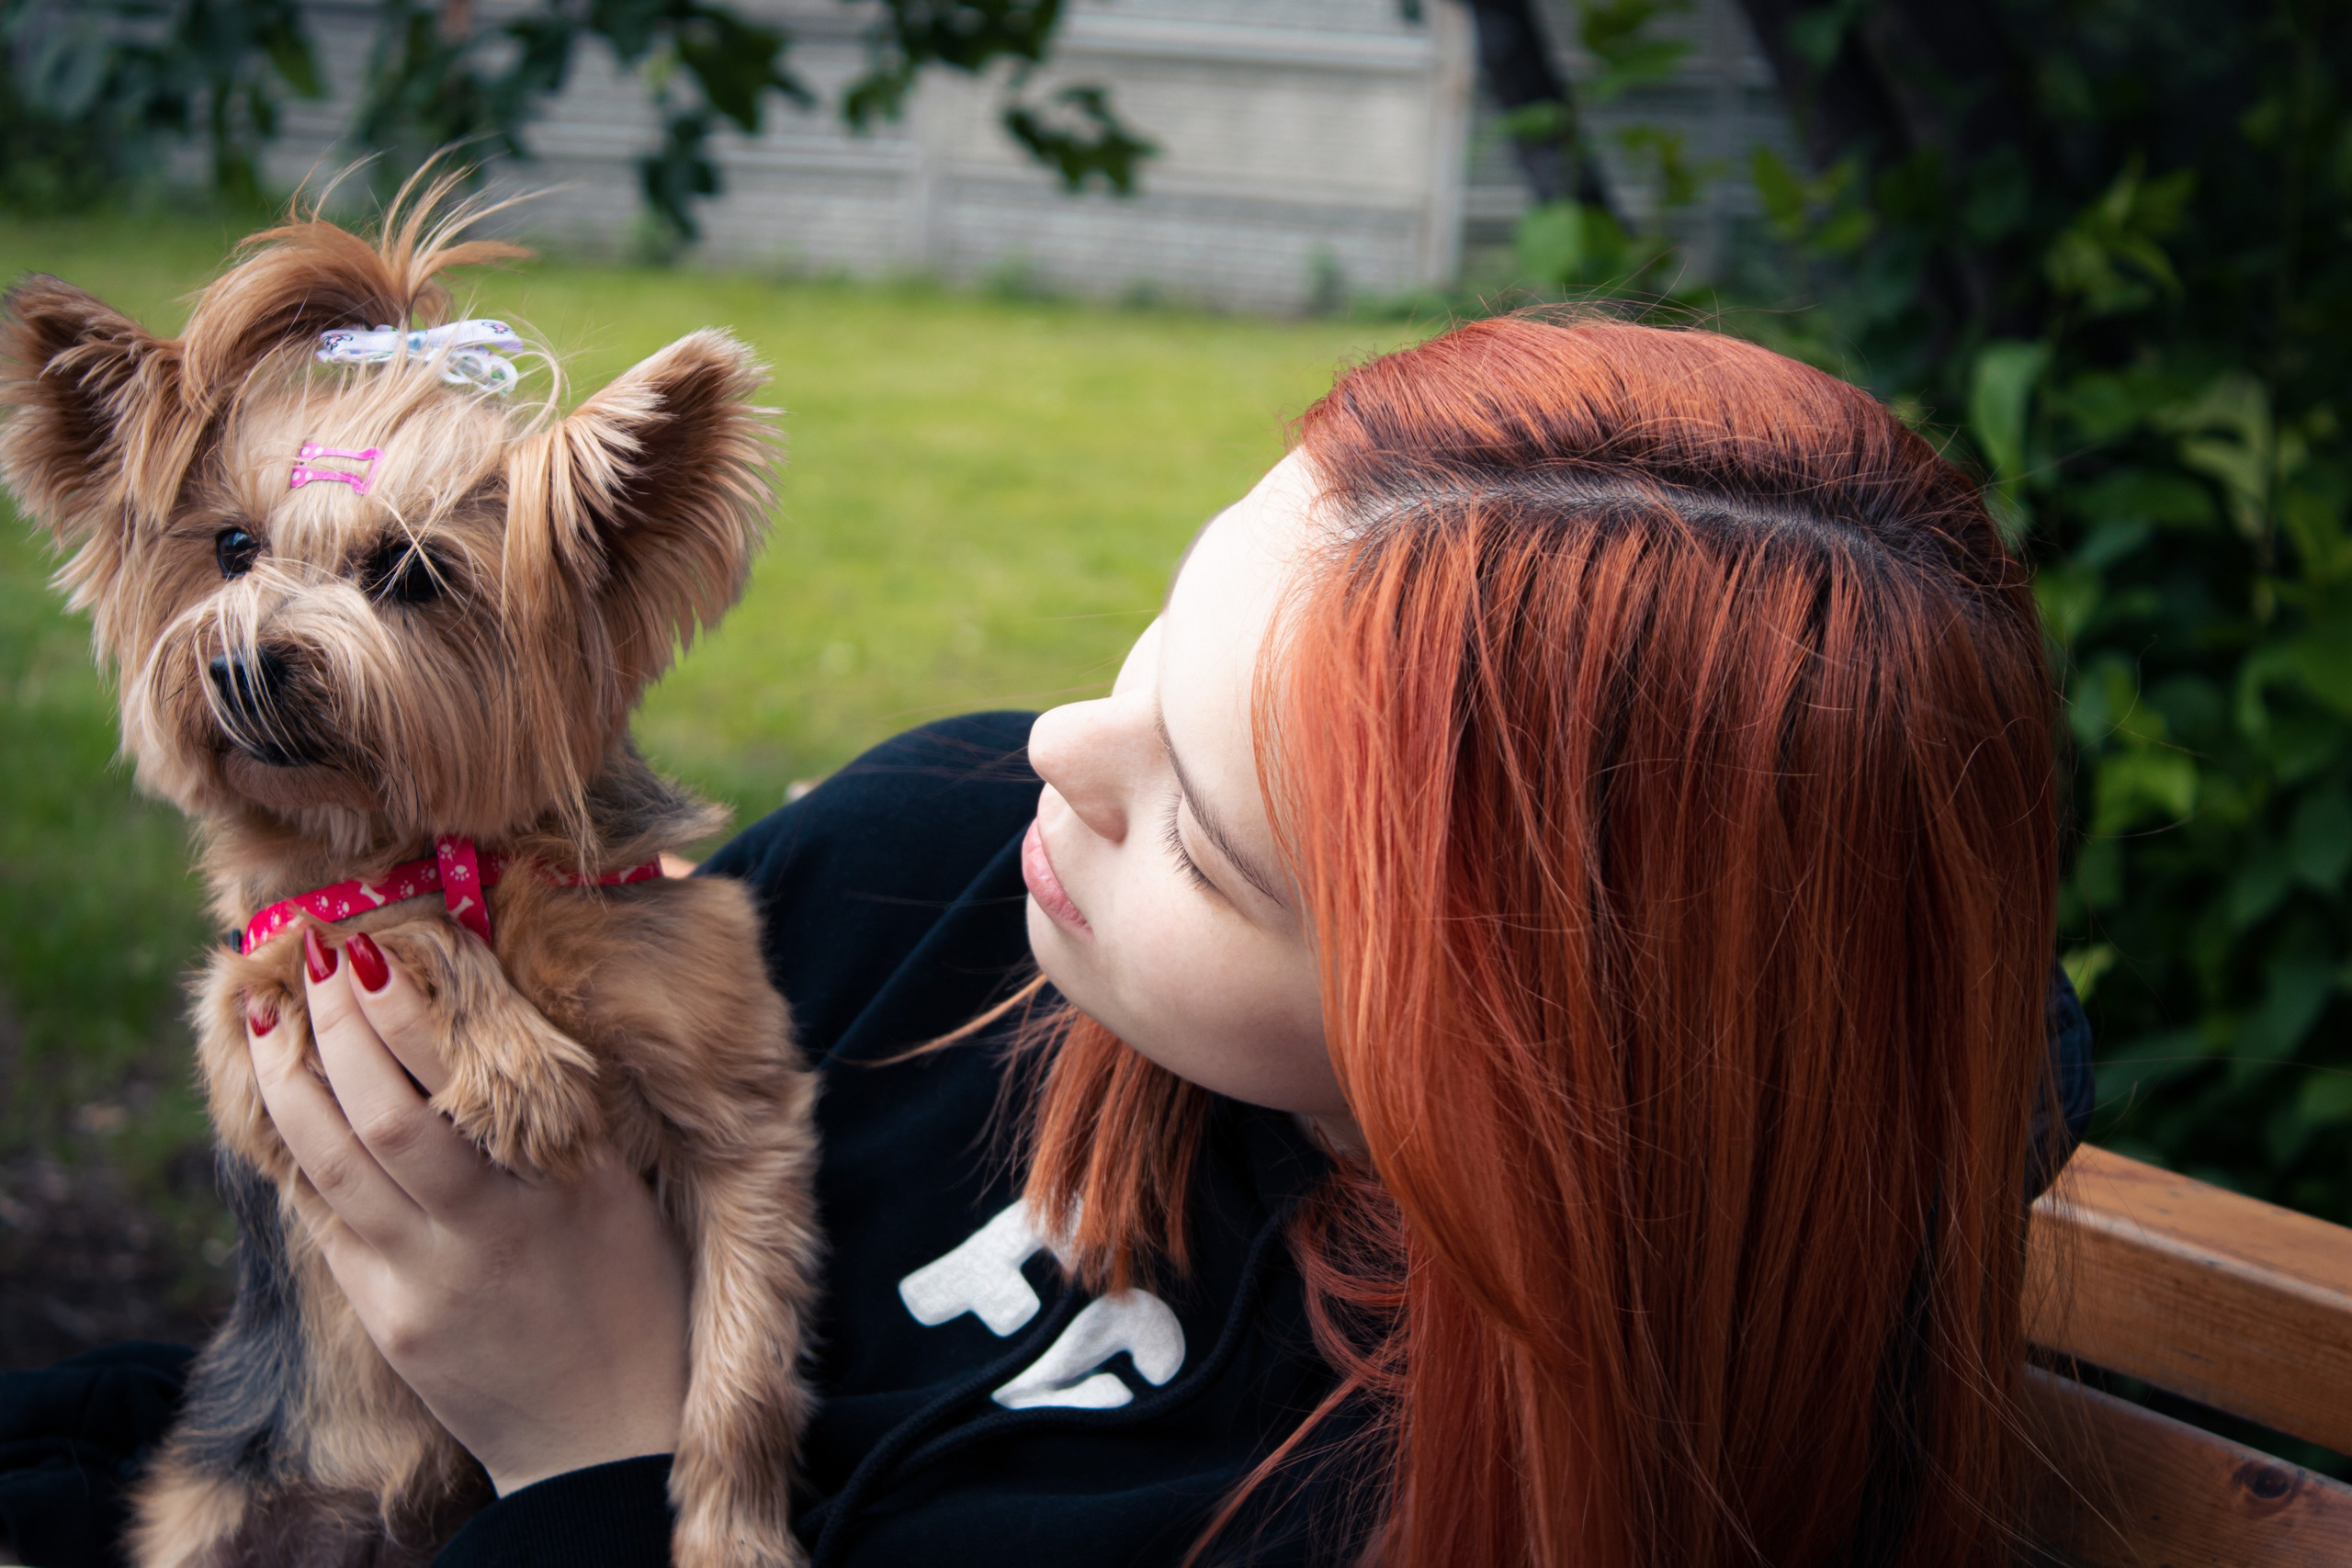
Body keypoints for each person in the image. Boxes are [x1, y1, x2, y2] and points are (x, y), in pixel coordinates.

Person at [0, 315, 2093, 1568]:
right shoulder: (943, 881)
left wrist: (594, 1445)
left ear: (1486, 1058)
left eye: (1209, 833)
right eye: (1153, 647)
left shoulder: (1383, 1498)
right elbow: (275, 1402)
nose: (1057, 758)